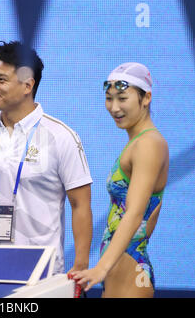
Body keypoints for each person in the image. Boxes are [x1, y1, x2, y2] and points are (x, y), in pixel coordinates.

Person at [0, 41, 93, 275]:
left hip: (43, 273)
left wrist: (81, 266)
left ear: (27, 86)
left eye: (1, 80)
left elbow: (80, 205)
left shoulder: (61, 136)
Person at [72, 63, 169, 297]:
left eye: (122, 98)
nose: (114, 107)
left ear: (146, 98)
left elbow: (134, 213)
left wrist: (101, 268)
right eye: (109, 99)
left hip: (129, 269)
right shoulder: (137, 142)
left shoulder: (149, 144)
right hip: (120, 268)